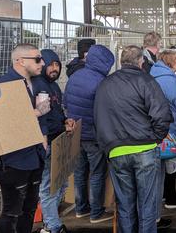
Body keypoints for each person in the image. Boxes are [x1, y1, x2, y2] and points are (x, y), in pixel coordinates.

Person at [94, 45, 172, 233]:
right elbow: (162, 115)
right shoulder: (146, 81)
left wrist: (108, 146)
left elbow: (97, 117)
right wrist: (155, 139)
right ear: (141, 61)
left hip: (116, 151)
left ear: (121, 61)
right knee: (147, 206)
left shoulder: (105, 84)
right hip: (144, 148)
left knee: (125, 205)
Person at [0, 43, 50, 233]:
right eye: (37, 59)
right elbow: (2, 119)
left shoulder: (38, 83)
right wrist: (35, 112)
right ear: (19, 61)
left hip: (35, 155)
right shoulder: (5, 84)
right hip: (14, 159)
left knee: (29, 208)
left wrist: (44, 136)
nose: (42, 63)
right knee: (12, 211)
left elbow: (45, 114)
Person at [64, 44, 115, 224]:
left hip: (76, 134)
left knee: (79, 172)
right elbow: (105, 110)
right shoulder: (101, 82)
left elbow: (66, 102)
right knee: (97, 173)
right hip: (94, 136)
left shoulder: (75, 76)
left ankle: (81, 208)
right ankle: (96, 212)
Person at [33, 49, 76, 233]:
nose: (54, 68)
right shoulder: (38, 86)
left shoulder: (54, 86)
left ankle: (51, 223)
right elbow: (41, 119)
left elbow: (55, 113)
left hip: (58, 141)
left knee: (60, 184)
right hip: (47, 142)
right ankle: (52, 226)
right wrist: (59, 127)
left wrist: (65, 121)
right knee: (49, 186)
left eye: (57, 65)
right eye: (50, 64)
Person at [150, 50, 176, 229]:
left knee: (161, 166)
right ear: (170, 63)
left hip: (158, 126)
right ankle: (170, 196)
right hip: (173, 126)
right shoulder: (168, 79)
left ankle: (165, 195)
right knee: (170, 164)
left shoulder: (153, 74)